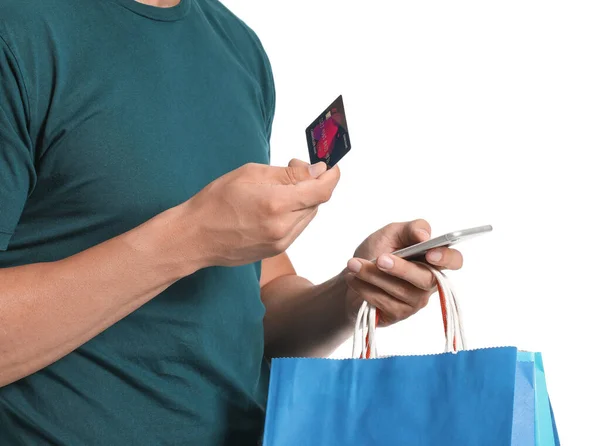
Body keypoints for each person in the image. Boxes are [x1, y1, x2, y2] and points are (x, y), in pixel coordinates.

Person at [0, 0, 463, 444]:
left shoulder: (237, 48)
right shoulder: (18, 31)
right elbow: (203, 234)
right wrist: (190, 237)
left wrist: (351, 292)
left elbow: (254, 304)